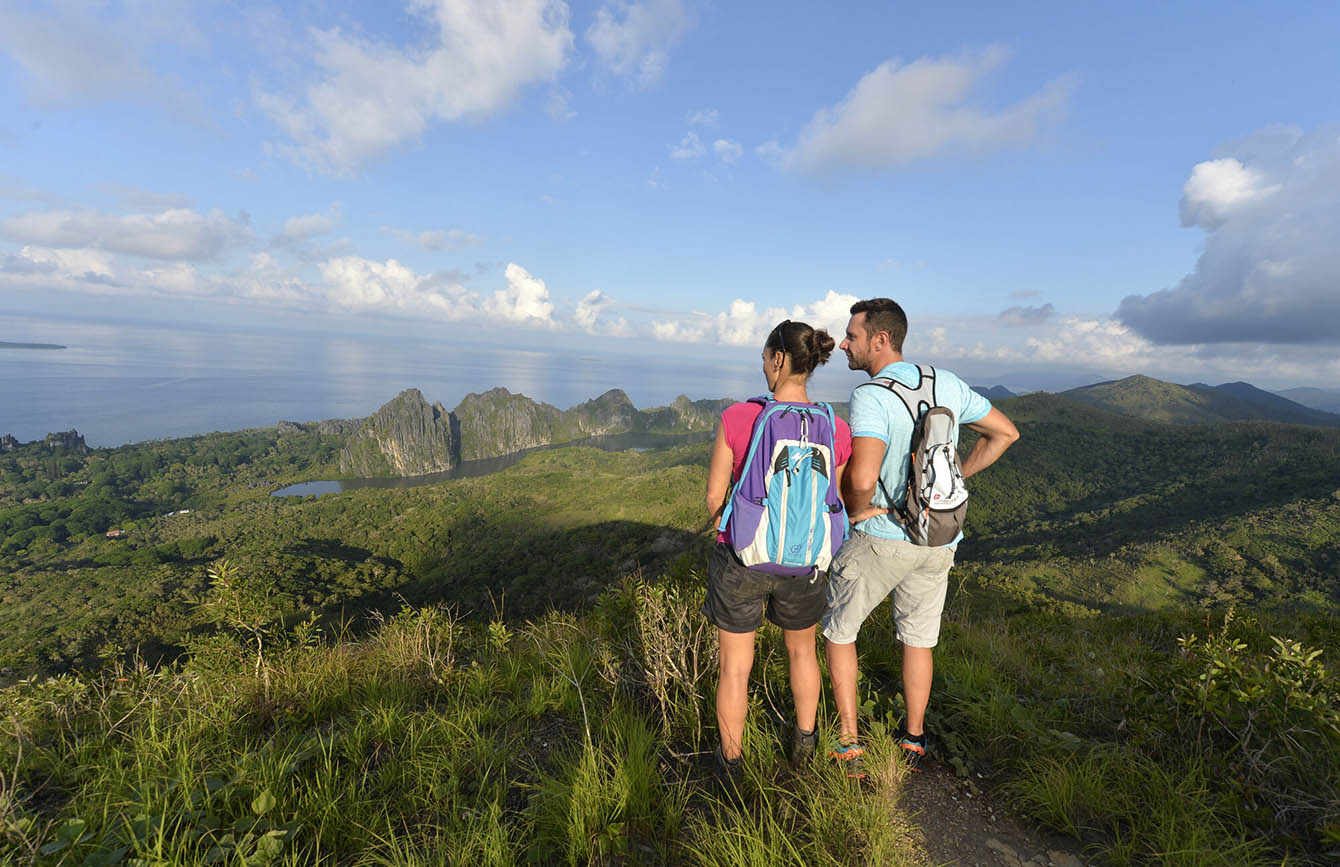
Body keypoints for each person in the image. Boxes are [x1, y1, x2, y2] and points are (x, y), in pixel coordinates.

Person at [822, 298, 1019, 775]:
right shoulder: (945, 383)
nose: (844, 344)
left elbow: (864, 476)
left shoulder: (871, 395)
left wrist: (851, 512)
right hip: (940, 537)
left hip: (884, 534)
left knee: (839, 632)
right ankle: (913, 741)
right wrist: (958, 479)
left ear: (880, 340)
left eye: (852, 336)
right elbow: (1005, 433)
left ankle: (849, 743)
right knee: (917, 640)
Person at [704, 319, 853, 786]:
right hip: (806, 562)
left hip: (744, 560)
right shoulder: (837, 426)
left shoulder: (738, 417)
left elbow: (714, 500)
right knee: (802, 653)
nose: (764, 367)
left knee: (734, 668)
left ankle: (730, 766)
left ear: (779, 359)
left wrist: (734, 533)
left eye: (766, 358)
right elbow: (838, 498)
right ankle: (804, 747)